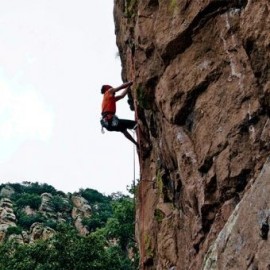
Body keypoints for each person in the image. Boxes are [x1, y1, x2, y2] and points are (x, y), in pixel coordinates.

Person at [100, 81, 138, 146]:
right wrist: (131, 82)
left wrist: (128, 87)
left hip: (109, 125)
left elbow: (121, 96)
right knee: (135, 124)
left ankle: (136, 144)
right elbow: (121, 87)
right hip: (111, 120)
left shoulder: (108, 99)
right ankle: (144, 141)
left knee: (123, 130)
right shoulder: (108, 91)